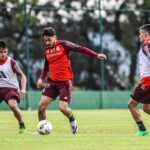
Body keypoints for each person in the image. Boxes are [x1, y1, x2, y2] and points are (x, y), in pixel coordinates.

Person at [37, 26, 107, 134]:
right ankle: (42, 128)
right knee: (41, 106)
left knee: (62, 108)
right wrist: (41, 79)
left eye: (49, 40)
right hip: (52, 82)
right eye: (45, 40)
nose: (47, 42)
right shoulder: (46, 51)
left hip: (65, 82)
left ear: (55, 37)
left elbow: (81, 48)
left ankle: (72, 120)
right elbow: (46, 67)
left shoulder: (64, 44)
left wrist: (96, 55)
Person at [0, 40, 26, 134]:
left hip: (11, 88)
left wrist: (23, 89)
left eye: (5, 52)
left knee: (12, 106)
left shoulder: (11, 62)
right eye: (0, 52)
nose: (3, 54)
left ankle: (21, 123)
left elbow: (22, 76)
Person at [128, 24, 150, 136]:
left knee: (131, 104)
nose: (139, 36)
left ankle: (142, 130)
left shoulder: (147, 44)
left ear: (146, 34)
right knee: (146, 108)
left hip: (148, 81)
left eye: (140, 33)